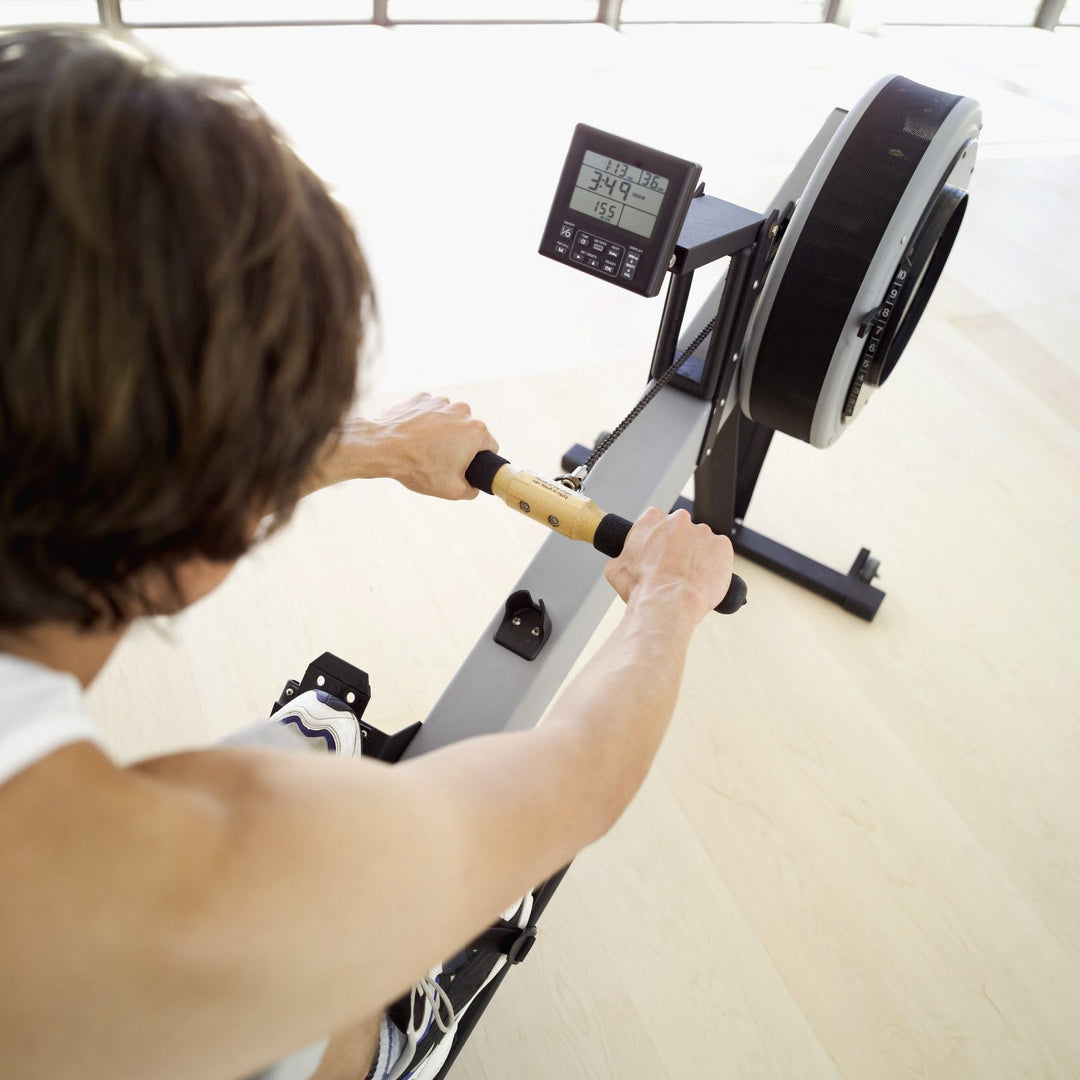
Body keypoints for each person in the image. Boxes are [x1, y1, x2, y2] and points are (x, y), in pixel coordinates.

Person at [0, 28, 734, 1080]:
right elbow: (573, 784)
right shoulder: (197, 891)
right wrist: (668, 599)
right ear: (196, 542)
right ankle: (393, 1040)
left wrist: (367, 446)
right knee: (315, 951)